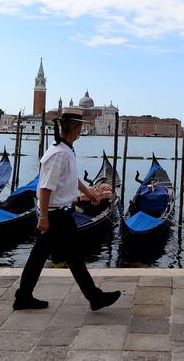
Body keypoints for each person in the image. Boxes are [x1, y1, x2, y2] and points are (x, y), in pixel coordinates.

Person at [13, 111, 120, 311]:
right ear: (75, 128)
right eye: (81, 126)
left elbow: (71, 177)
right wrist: (43, 217)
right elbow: (45, 187)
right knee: (66, 256)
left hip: (59, 214)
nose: (82, 130)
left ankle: (24, 296)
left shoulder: (65, 150)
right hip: (55, 216)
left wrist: (89, 192)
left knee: (56, 256)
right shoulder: (59, 154)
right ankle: (93, 297)